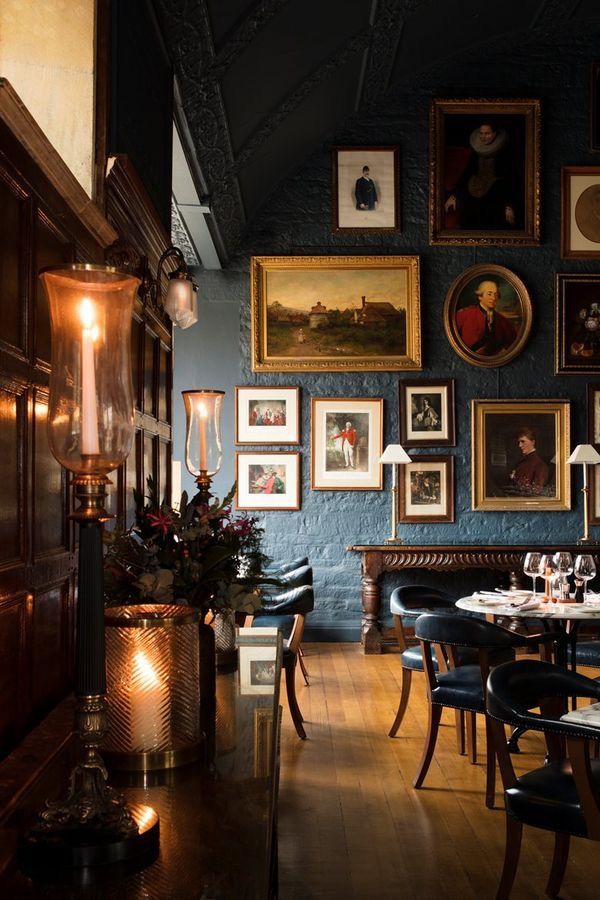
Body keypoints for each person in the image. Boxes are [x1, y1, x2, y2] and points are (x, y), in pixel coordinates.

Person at [444, 120, 518, 229]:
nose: (483, 137)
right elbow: (468, 173)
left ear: (495, 133)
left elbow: (511, 179)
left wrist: (509, 205)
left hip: (497, 193)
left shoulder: (505, 153)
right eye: (481, 133)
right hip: (473, 191)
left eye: (487, 133)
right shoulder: (476, 153)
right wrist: (455, 195)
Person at [455, 279, 516, 356]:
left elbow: (512, 343)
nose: (493, 298)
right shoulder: (464, 314)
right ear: (480, 296)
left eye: (496, 294)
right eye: (489, 294)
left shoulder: (502, 320)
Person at [509, 427, 550, 495]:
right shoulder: (519, 464)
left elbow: (536, 493)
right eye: (518, 442)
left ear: (533, 442)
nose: (519, 445)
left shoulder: (541, 466)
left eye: (523, 441)